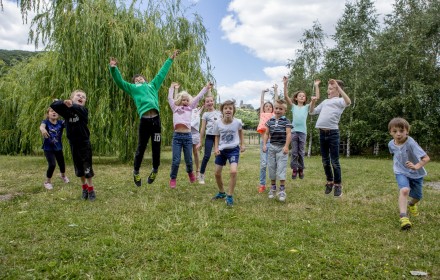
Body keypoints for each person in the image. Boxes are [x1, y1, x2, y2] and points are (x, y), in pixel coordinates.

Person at [109, 50, 179, 187]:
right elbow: (120, 82)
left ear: (145, 80)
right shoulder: (133, 88)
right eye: (136, 79)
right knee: (141, 146)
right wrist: (113, 68)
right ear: (134, 83)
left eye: (140, 78)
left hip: (156, 122)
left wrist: (170, 59)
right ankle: (136, 171)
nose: (138, 79)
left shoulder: (152, 86)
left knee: (156, 146)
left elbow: (161, 74)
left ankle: (155, 169)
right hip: (145, 122)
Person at [50, 90, 96, 201]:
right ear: (71, 98)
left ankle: (91, 190)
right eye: (78, 95)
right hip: (73, 143)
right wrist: (63, 103)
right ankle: (84, 189)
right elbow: (54, 105)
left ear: (85, 101)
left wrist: (71, 104)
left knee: (87, 167)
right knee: (79, 168)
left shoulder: (83, 110)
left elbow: (78, 108)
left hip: (84, 143)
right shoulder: (66, 112)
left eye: (83, 97)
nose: (81, 97)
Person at [309, 79, 351, 197]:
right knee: (325, 161)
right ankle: (329, 181)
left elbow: (348, 101)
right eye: (328, 88)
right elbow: (312, 112)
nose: (328, 91)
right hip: (322, 133)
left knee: (334, 161)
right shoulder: (325, 101)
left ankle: (338, 185)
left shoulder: (340, 101)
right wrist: (312, 102)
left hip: (333, 133)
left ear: (338, 90)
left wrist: (338, 86)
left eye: (331, 88)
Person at [167, 81, 212, 188]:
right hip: (177, 137)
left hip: (187, 137)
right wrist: (171, 87)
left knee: (189, 159)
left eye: (187, 100)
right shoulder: (175, 108)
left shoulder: (190, 108)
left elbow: (198, 97)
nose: (185, 102)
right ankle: (173, 178)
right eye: (183, 100)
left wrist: (206, 88)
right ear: (179, 100)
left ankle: (190, 172)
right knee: (176, 160)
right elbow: (170, 98)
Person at [388, 117, 430, 230]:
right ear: (390, 132)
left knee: (417, 197)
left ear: (407, 131)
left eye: (401, 131)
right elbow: (395, 154)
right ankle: (403, 217)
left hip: (416, 173)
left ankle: (411, 204)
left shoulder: (411, 143)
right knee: (404, 190)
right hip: (400, 171)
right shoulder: (390, 144)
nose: (398, 134)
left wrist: (416, 166)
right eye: (395, 131)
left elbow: (426, 158)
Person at [284, 77, 320, 180]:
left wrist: (316, 85)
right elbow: (286, 97)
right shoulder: (293, 107)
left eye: (303, 96)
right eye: (300, 95)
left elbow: (316, 98)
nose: (301, 97)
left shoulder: (307, 107)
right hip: (294, 132)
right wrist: (285, 84)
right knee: (294, 152)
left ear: (305, 99)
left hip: (303, 132)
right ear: (296, 98)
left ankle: (301, 169)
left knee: (301, 152)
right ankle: (294, 169)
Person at [211, 100, 245, 207]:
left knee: (233, 171)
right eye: (226, 108)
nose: (228, 110)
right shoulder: (218, 123)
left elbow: (240, 131)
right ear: (222, 111)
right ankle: (221, 192)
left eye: (230, 108)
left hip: (233, 149)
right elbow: (216, 136)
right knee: (217, 173)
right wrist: (216, 148)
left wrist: (242, 144)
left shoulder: (238, 122)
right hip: (221, 150)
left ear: (233, 111)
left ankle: (229, 196)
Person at [262, 99, 292, 202]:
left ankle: (282, 190)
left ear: (285, 110)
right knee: (271, 167)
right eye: (276, 108)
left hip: (282, 148)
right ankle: (273, 187)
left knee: (281, 168)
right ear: (274, 109)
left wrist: (287, 146)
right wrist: (265, 144)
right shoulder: (270, 121)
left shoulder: (286, 121)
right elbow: (266, 133)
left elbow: (288, 134)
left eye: (281, 109)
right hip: (272, 147)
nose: (278, 110)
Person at [39, 107, 69, 190]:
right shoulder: (45, 122)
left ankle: (63, 176)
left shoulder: (61, 123)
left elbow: (69, 122)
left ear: (59, 114)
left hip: (58, 147)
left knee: (62, 164)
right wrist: (42, 129)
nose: (54, 113)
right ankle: (47, 182)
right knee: (52, 164)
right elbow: (42, 126)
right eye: (52, 111)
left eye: (56, 112)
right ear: (48, 114)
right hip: (48, 148)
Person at [256, 85, 278, 193]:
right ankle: (262, 184)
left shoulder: (274, 115)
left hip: (272, 142)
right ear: (264, 108)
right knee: (263, 164)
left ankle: (273, 185)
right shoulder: (262, 114)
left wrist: (275, 90)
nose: (268, 107)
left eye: (270, 106)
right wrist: (262, 92)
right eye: (266, 106)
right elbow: (261, 102)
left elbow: (276, 101)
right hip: (263, 143)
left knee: (272, 165)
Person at [196, 95, 222, 184]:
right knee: (206, 156)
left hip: (218, 137)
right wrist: (200, 141)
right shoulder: (205, 114)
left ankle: (218, 174)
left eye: (211, 101)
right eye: (207, 102)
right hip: (209, 137)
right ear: (205, 104)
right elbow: (202, 129)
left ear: (213, 102)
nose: (209, 103)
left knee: (218, 155)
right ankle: (201, 175)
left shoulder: (219, 113)